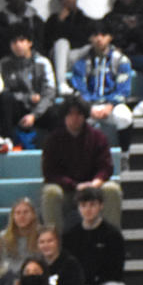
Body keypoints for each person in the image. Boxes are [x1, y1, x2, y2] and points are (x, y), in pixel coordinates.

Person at [41, 98, 121, 231]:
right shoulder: (53, 140)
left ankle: (112, 241)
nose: (74, 118)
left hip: (94, 188)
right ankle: (54, 244)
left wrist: (94, 184)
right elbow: (50, 173)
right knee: (50, 193)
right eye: (70, 114)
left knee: (112, 190)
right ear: (64, 116)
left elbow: (106, 167)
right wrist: (74, 185)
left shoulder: (98, 137)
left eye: (78, 114)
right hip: (67, 191)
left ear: (84, 116)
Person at [62, 186, 127, 285]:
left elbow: (116, 270)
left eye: (92, 205)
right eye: (83, 206)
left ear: (100, 206)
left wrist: (93, 282)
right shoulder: (70, 236)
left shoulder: (113, 235)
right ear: (78, 208)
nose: (88, 210)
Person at [69, 21, 135, 144]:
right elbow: (79, 88)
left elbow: (123, 89)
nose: (99, 39)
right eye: (95, 35)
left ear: (110, 37)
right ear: (90, 38)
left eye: (103, 35)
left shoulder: (121, 60)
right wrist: (89, 107)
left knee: (124, 116)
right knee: (73, 119)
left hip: (112, 106)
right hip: (89, 106)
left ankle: (124, 155)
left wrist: (110, 105)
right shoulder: (81, 61)